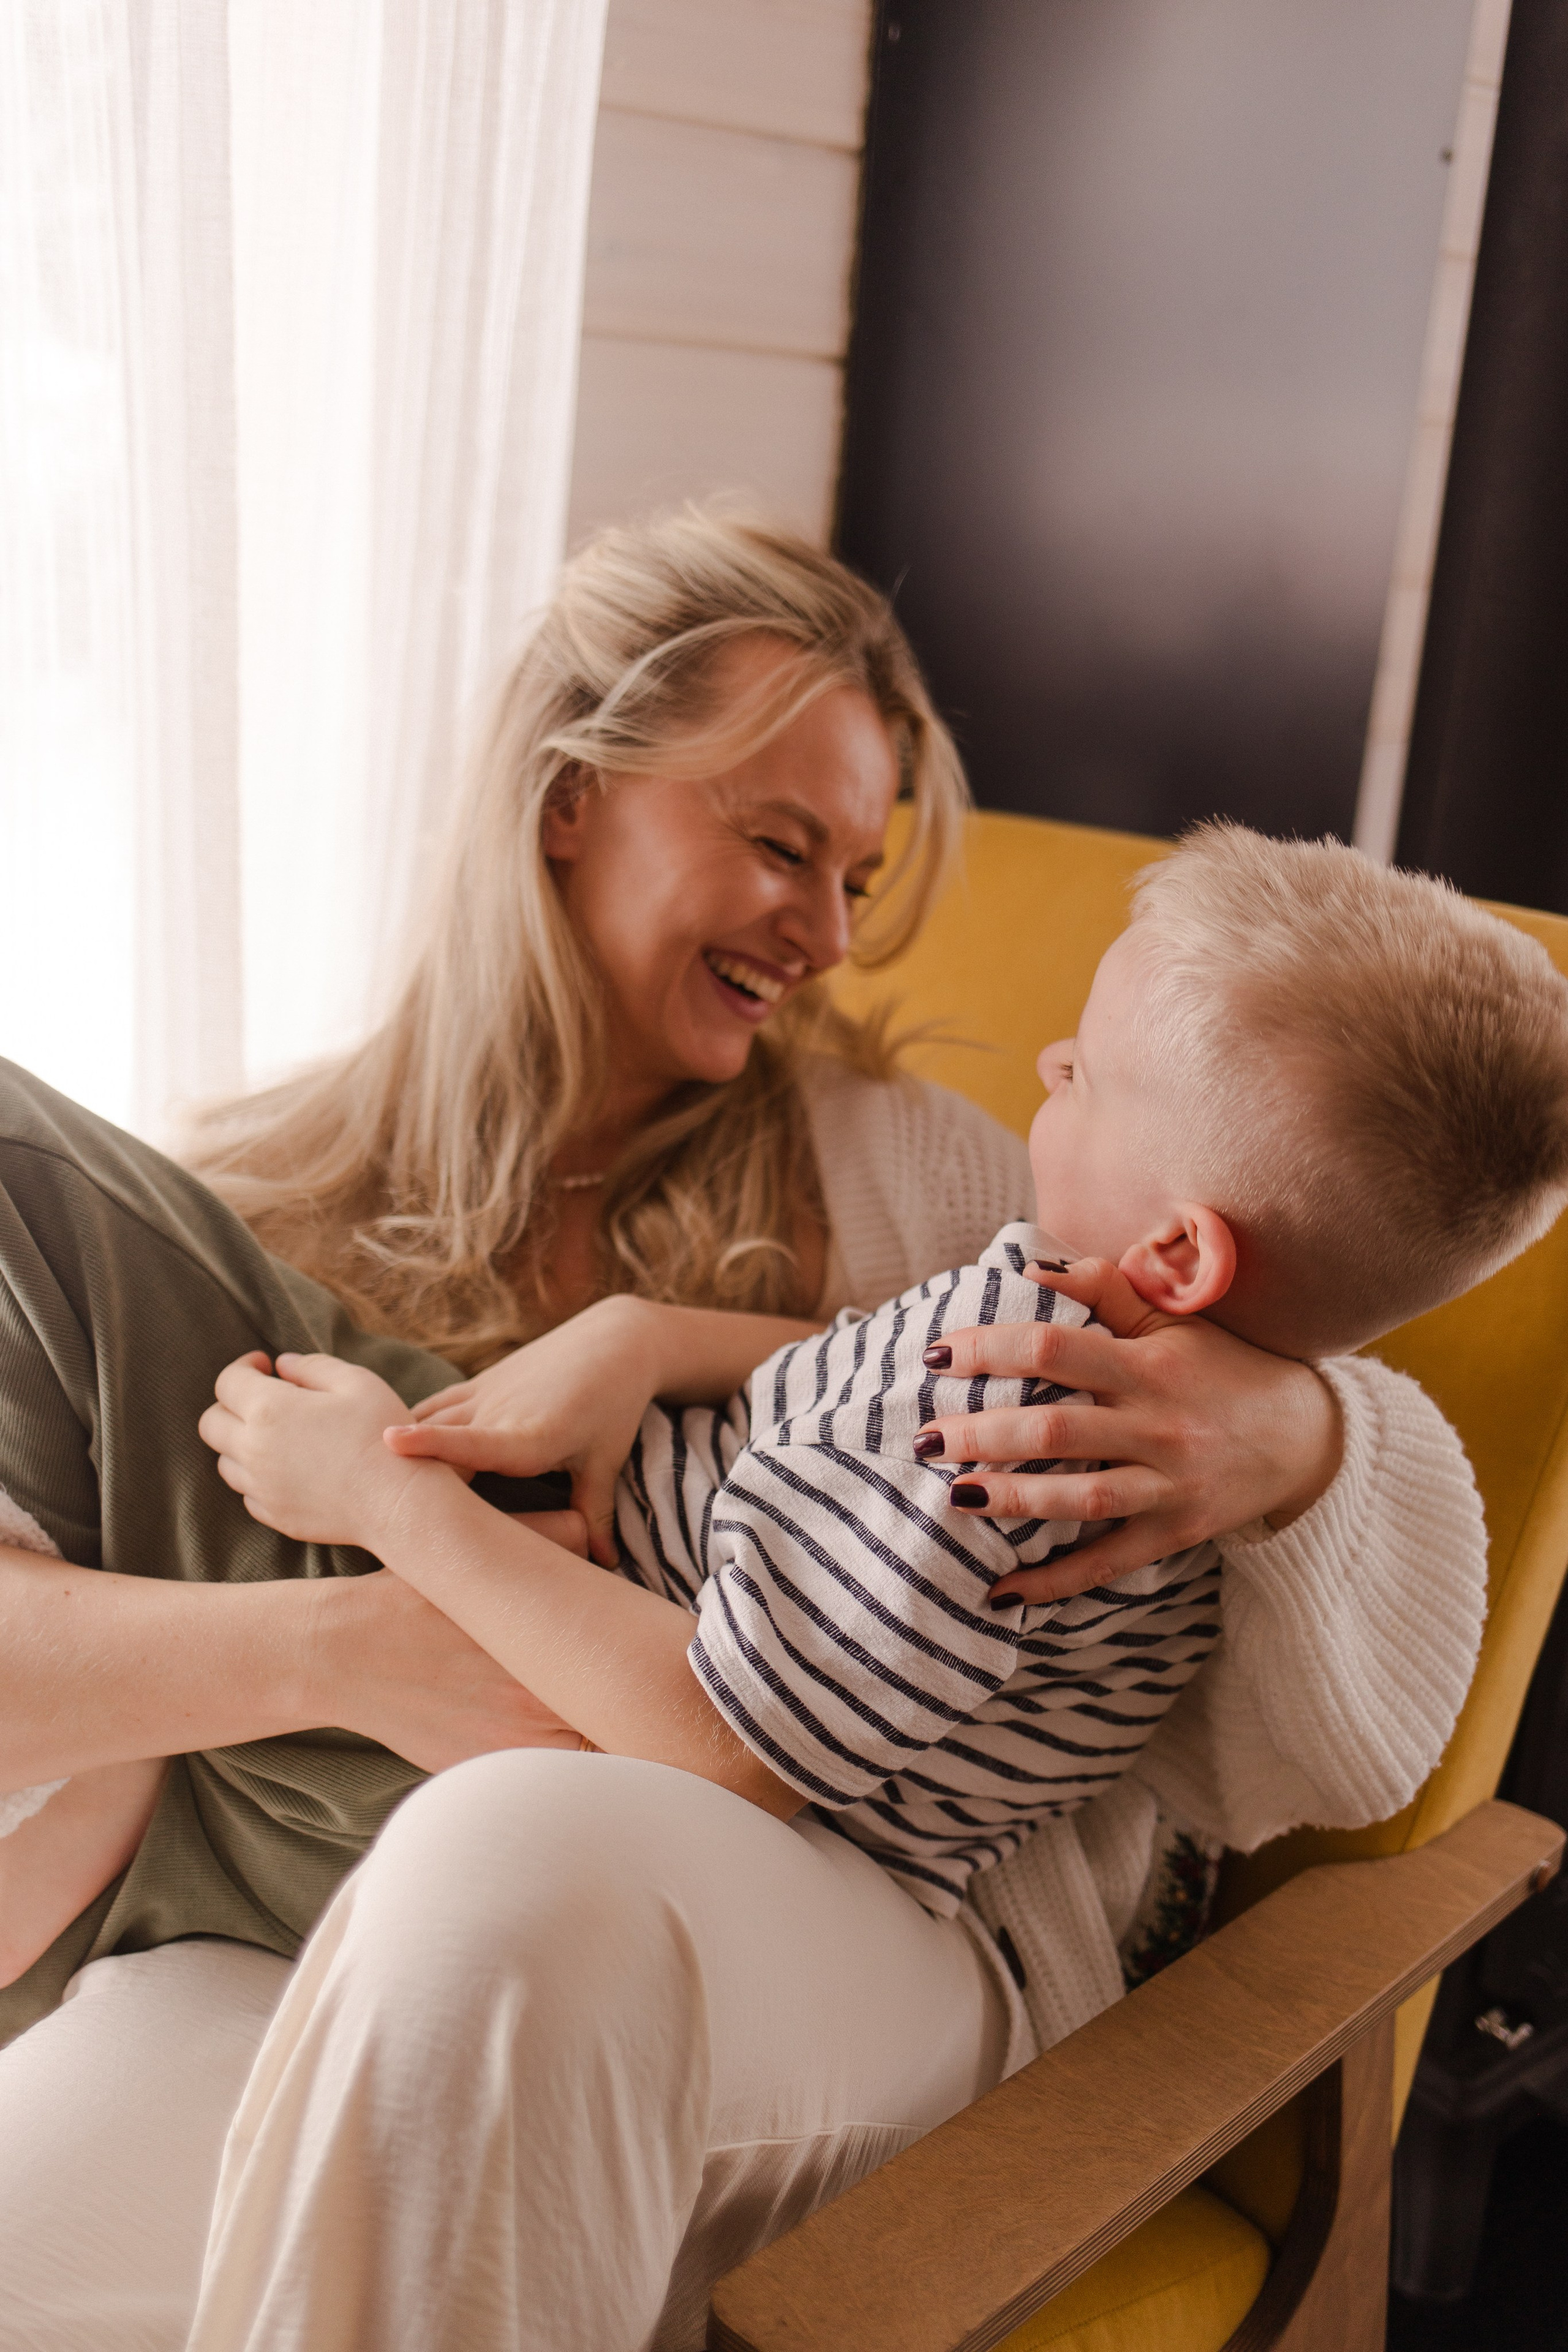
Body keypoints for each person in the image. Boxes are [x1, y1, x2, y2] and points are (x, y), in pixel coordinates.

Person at [0, 516, 1479, 2351]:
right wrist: (348, 1640)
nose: (830, 933)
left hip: (837, 1928)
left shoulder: (914, 1172)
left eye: (858, 874)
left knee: (505, 1872)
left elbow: (1327, 1730)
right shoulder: (259, 1195)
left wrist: (1299, 1430)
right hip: (288, 1916)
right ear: (571, 801)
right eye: (783, 847)